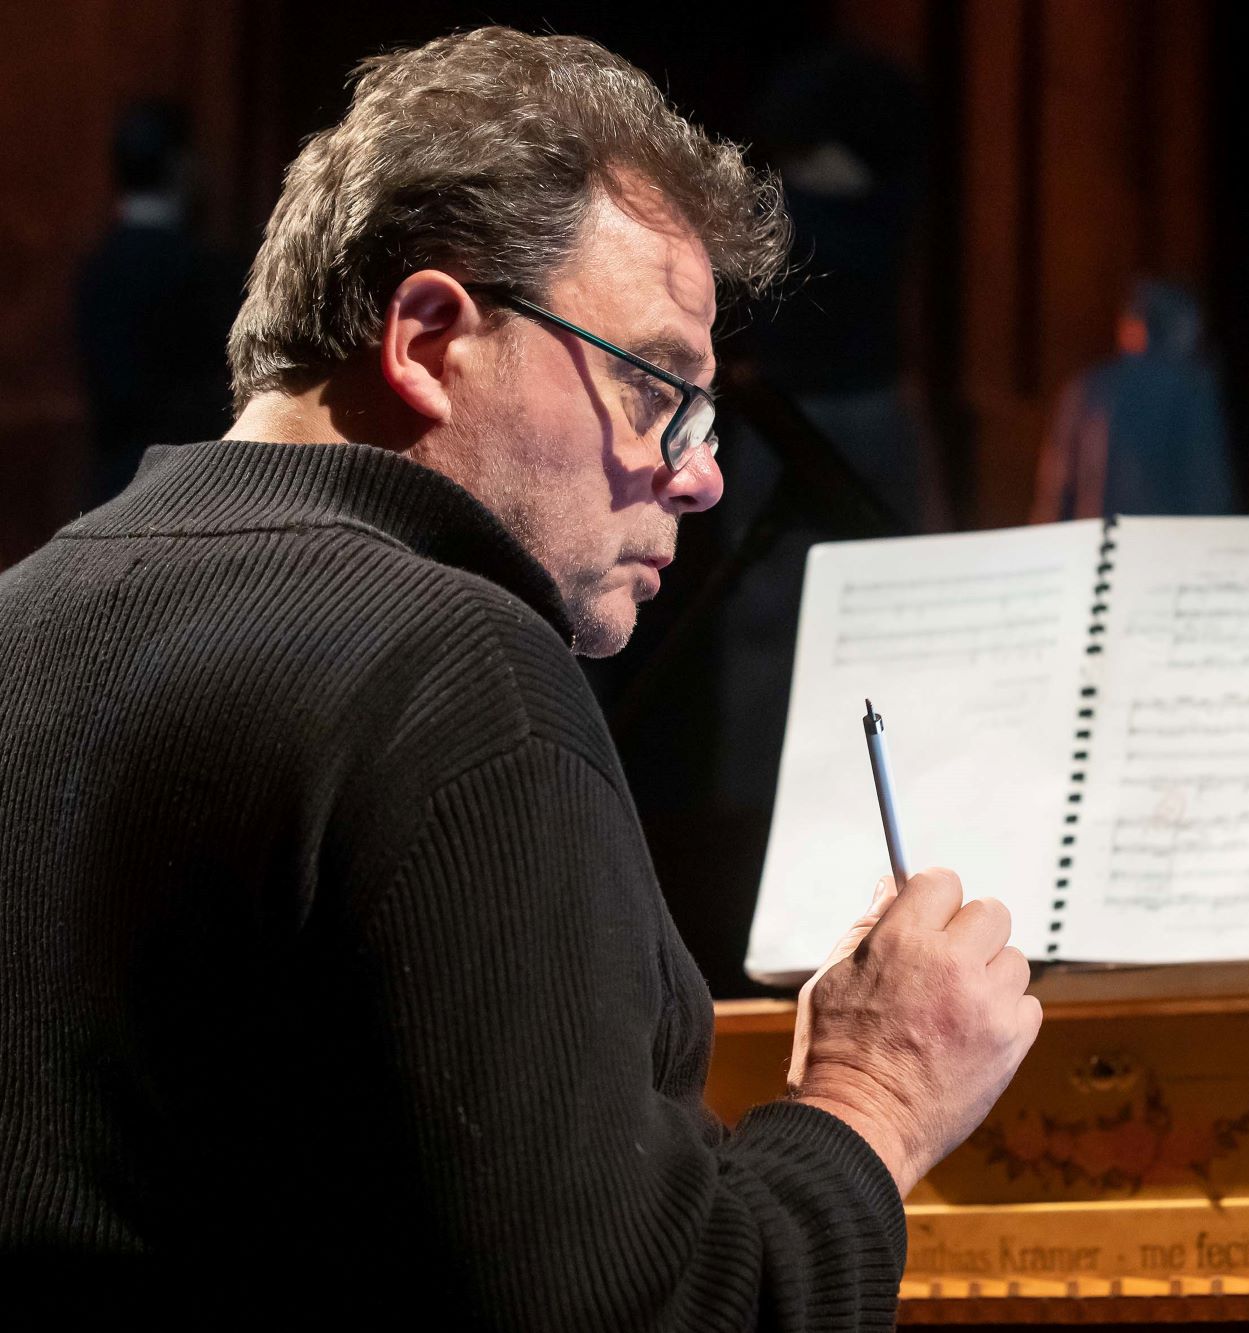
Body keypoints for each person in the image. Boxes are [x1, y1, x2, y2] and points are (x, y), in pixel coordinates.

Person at [0, 28, 1039, 1329]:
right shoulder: (457, 670)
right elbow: (648, 1312)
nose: (702, 474)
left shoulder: (23, 616)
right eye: (661, 387)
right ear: (433, 338)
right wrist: (875, 1099)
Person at [72, 102, 240, 503]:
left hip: (109, 490)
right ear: (179, 165)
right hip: (188, 488)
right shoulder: (203, 269)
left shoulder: (96, 268)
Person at [1029, 279, 1236, 522]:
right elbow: (1208, 490)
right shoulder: (1189, 391)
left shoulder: (1086, 388)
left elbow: (1054, 493)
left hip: (1095, 547)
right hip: (1168, 548)